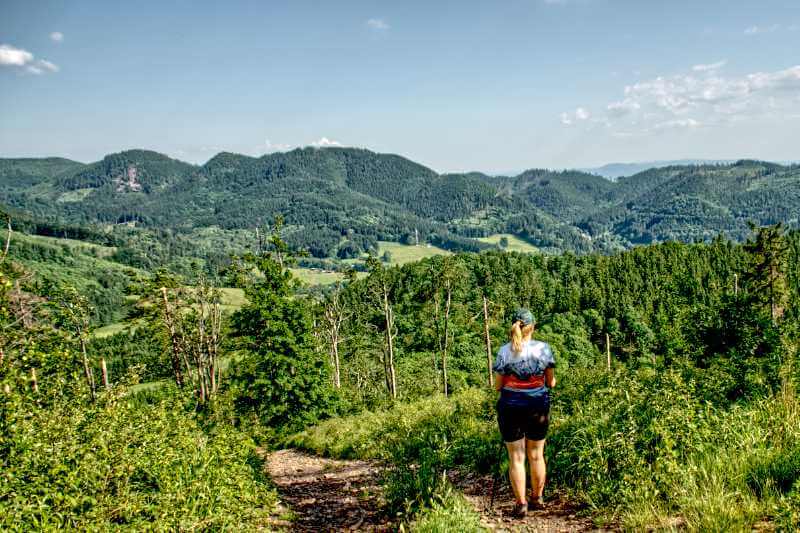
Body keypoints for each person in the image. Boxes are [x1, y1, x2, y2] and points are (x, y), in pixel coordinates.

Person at [492, 308, 556, 519]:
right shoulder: (544, 349)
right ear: (533, 326)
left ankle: (521, 504)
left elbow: (498, 386)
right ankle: (537, 498)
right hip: (538, 406)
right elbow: (551, 382)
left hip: (511, 406)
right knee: (536, 455)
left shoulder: (503, 351)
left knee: (516, 457)